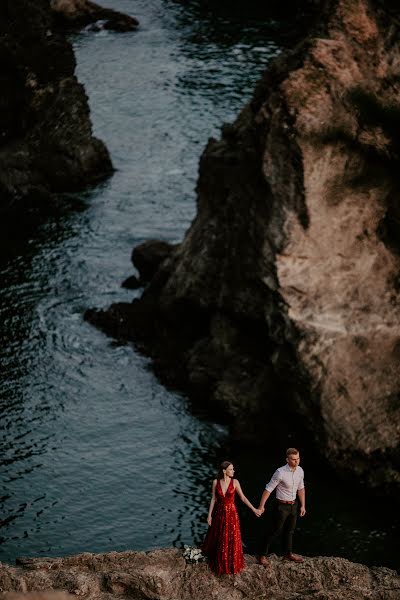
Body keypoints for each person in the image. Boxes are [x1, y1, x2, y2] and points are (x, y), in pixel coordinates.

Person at [202, 460, 261, 575]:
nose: (233, 471)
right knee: (219, 535)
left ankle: (230, 562)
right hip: (219, 512)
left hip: (231, 513)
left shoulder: (235, 482)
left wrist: (254, 509)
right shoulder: (215, 482)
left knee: (231, 536)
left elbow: (243, 498)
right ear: (224, 471)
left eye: (233, 469)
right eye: (231, 469)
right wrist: (209, 515)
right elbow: (213, 499)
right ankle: (219, 561)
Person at [257, 448, 306, 565]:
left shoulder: (300, 470)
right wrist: (261, 506)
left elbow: (301, 488)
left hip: (294, 505)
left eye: (298, 458)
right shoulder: (280, 472)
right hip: (281, 506)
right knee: (275, 530)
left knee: (290, 531)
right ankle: (262, 554)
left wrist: (303, 505)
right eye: (293, 459)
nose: (296, 461)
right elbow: (268, 489)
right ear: (287, 460)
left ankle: (288, 554)